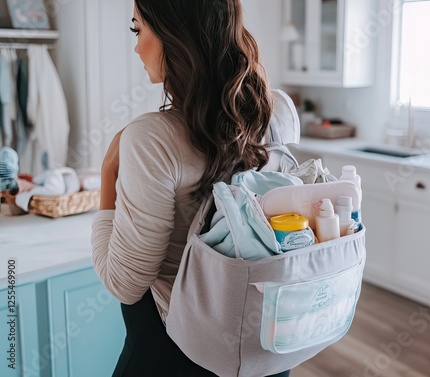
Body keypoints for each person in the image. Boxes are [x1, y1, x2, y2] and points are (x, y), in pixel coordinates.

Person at [91, 1, 291, 376]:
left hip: (174, 355)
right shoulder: (272, 113)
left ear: (173, 34)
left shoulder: (151, 138)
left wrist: (108, 173)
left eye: (138, 29)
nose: (136, 47)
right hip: (264, 349)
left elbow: (124, 284)